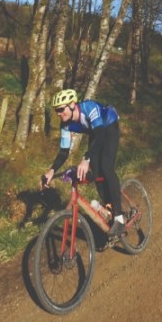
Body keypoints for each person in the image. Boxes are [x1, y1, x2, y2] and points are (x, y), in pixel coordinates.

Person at [41, 88, 126, 237]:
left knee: (106, 167)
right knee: (96, 172)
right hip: (96, 132)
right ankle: (109, 206)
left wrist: (86, 159)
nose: (59, 114)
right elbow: (63, 152)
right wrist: (52, 170)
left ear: (73, 104)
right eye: (57, 111)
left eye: (61, 109)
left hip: (108, 126)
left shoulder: (89, 107)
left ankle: (119, 218)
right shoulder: (65, 125)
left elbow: (100, 136)